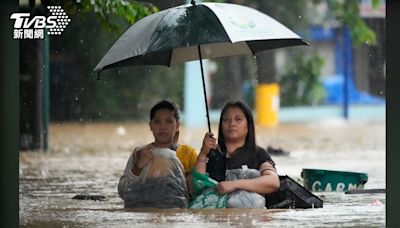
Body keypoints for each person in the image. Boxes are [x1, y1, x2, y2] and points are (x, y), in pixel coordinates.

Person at [194, 101, 280, 208]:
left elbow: (273, 182)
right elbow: (196, 187)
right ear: (221, 125)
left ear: (248, 125)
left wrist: (234, 184)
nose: (232, 124)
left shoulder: (257, 153)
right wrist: (203, 153)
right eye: (226, 120)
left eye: (238, 119)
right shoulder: (211, 154)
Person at [118, 100, 198, 208]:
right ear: (150, 125)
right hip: (144, 212)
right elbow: (123, 192)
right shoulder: (140, 153)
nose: (163, 127)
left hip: (175, 215)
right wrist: (138, 167)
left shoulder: (189, 154)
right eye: (157, 121)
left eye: (169, 121)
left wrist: (188, 180)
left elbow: (200, 194)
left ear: (177, 125)